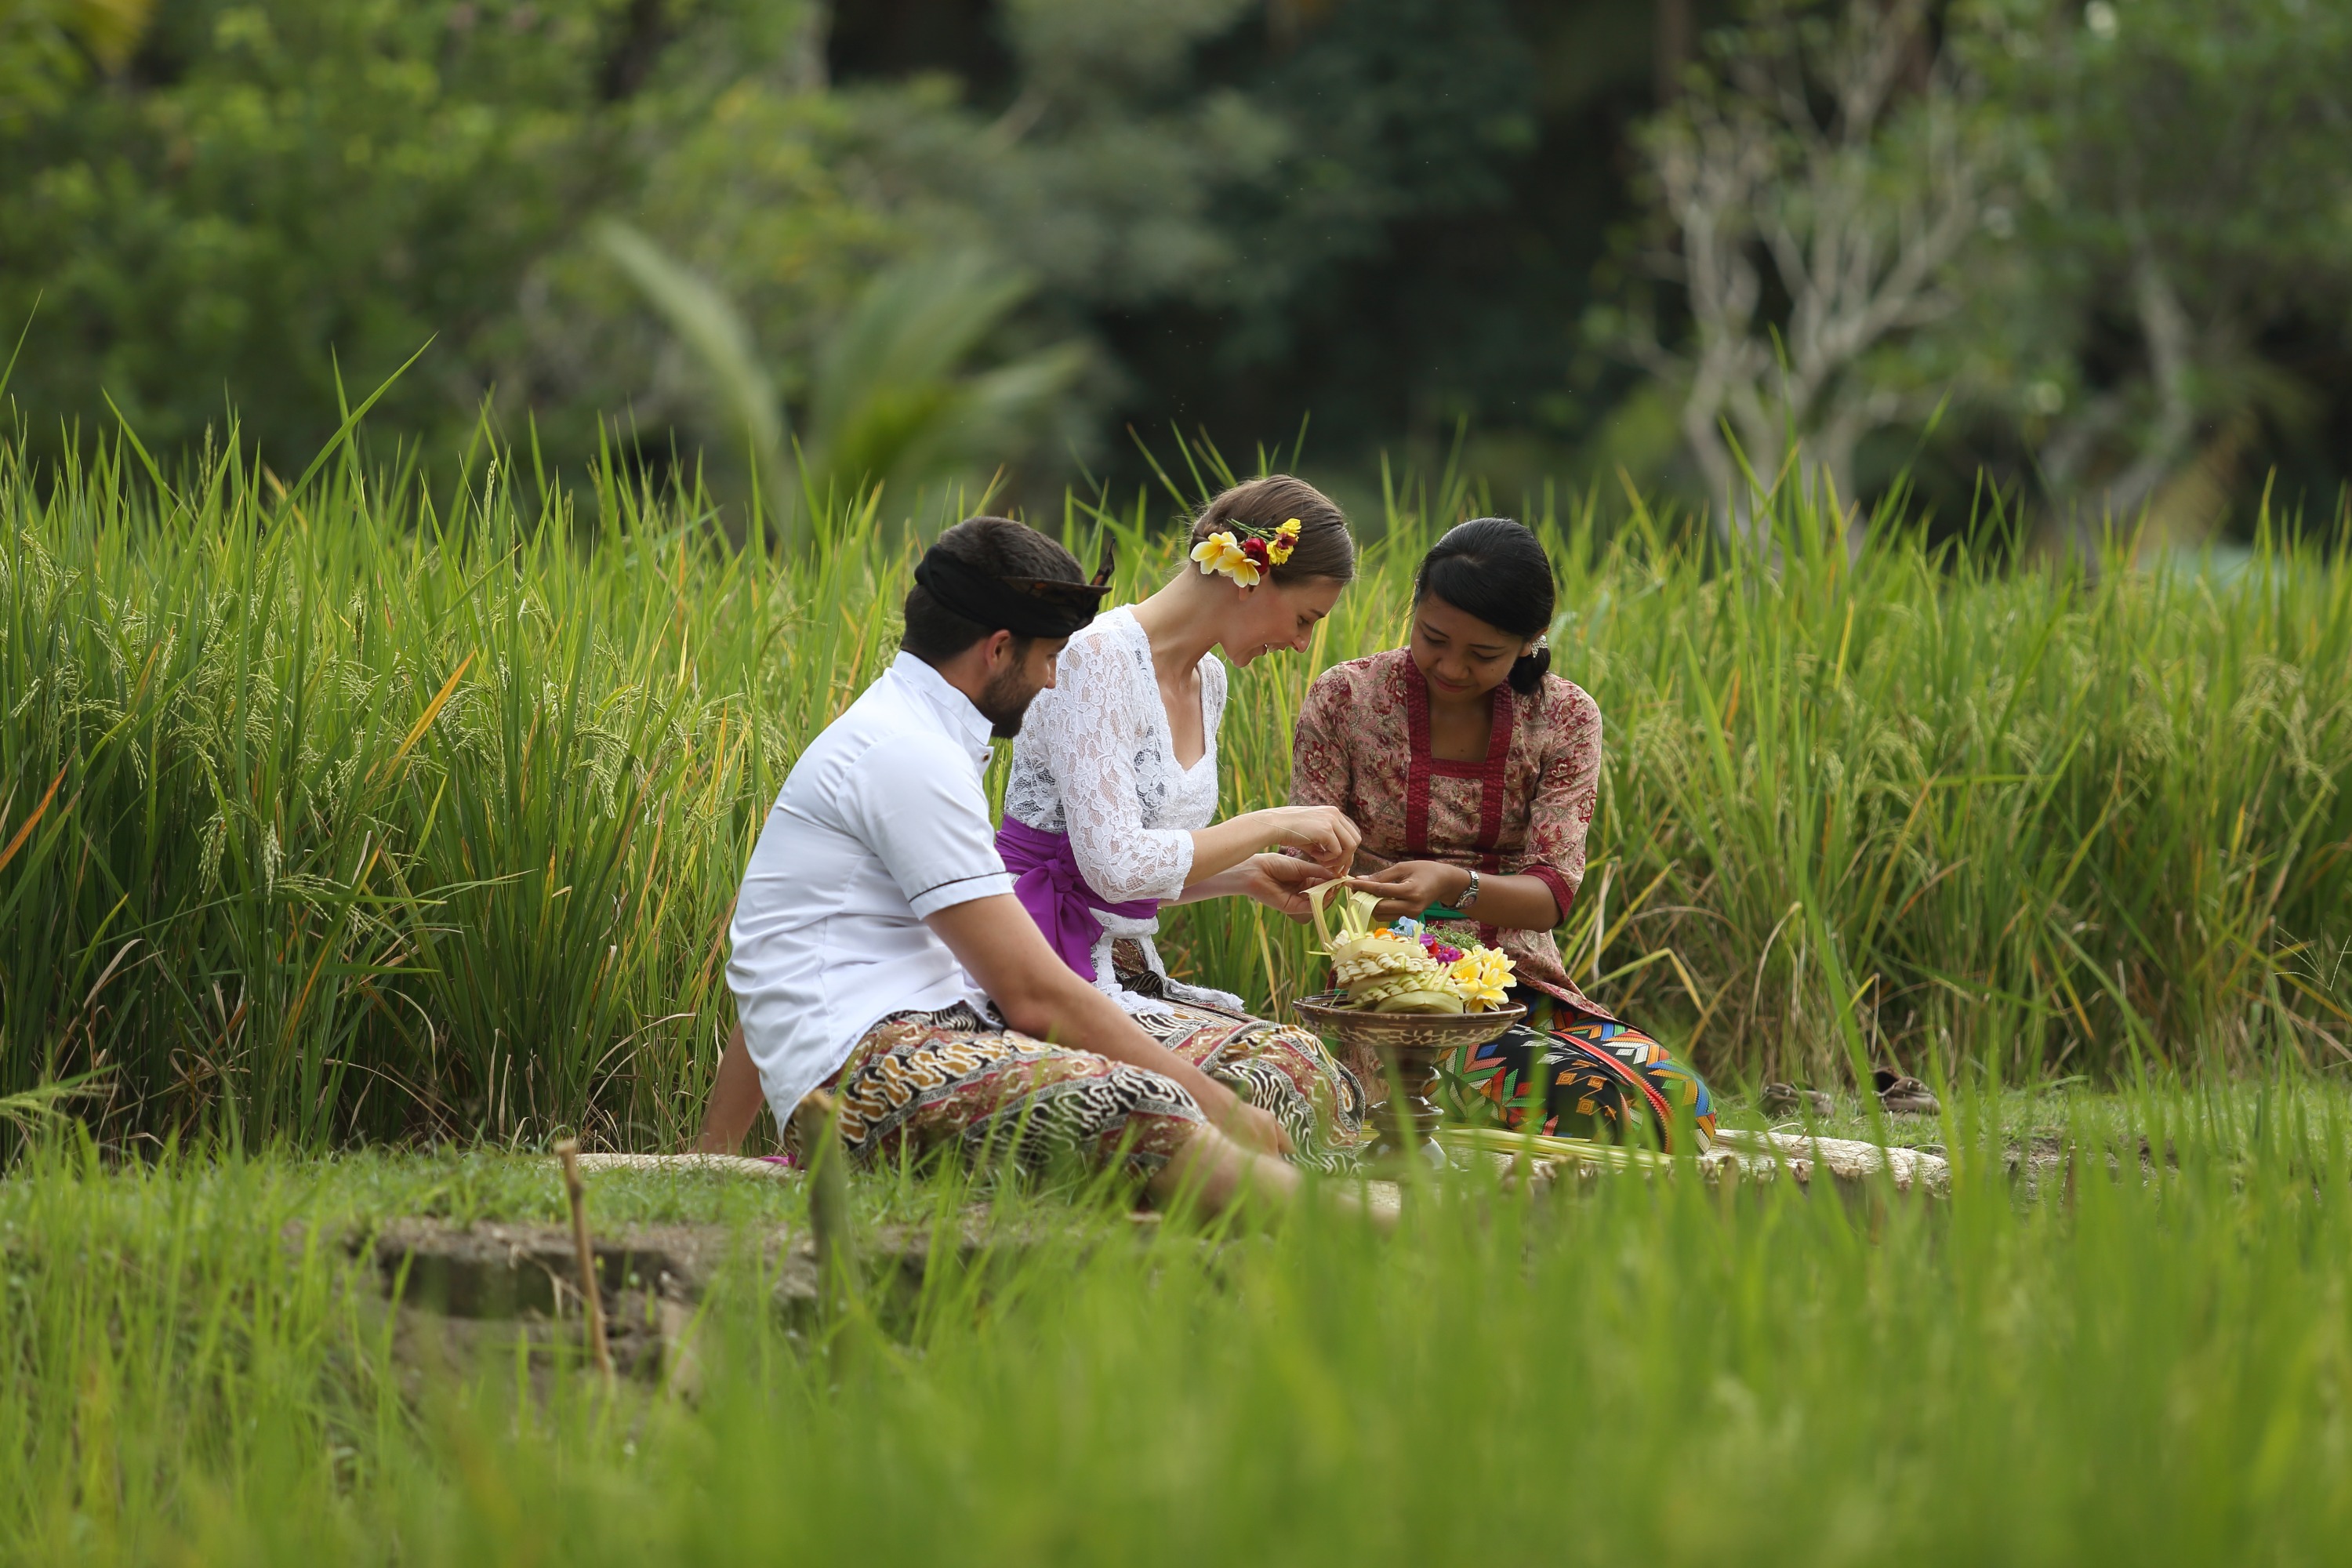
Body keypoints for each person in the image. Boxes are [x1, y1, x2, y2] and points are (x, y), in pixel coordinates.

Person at [695, 516, 1328, 1220]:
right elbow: (1034, 996)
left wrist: (705, 1157)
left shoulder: (919, 735)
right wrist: (1216, 1107)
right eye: (1051, 656)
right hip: (863, 1074)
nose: (1057, 675)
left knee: (1181, 1091)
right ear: (999, 649)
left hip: (921, 1039)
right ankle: (1378, 1237)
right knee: (1139, 1104)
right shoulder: (905, 754)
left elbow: (773, 954)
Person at [1290, 517, 1716, 1149]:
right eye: (1433, 638)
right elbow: (1303, 873)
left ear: (1530, 641)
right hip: (1390, 1003)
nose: (1452, 667)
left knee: (1685, 1104)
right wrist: (1347, 886)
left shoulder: (1566, 717)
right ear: (1414, 608)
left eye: (1483, 654)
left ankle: (1472, 1112)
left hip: (1519, 988)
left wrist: (1455, 885)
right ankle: (1398, 1105)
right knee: (1603, 1109)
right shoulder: (1344, 698)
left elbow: (1551, 893)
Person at [998, 475, 1370, 1166]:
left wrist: (1250, 877)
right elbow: (1112, 867)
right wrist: (1271, 823)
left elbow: (1135, 866)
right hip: (1046, 960)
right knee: (1282, 1074)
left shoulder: (1210, 680)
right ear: (1251, 578)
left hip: (1126, 962)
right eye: (1307, 619)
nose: (1299, 643)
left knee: (1309, 1068)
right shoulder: (1096, 658)